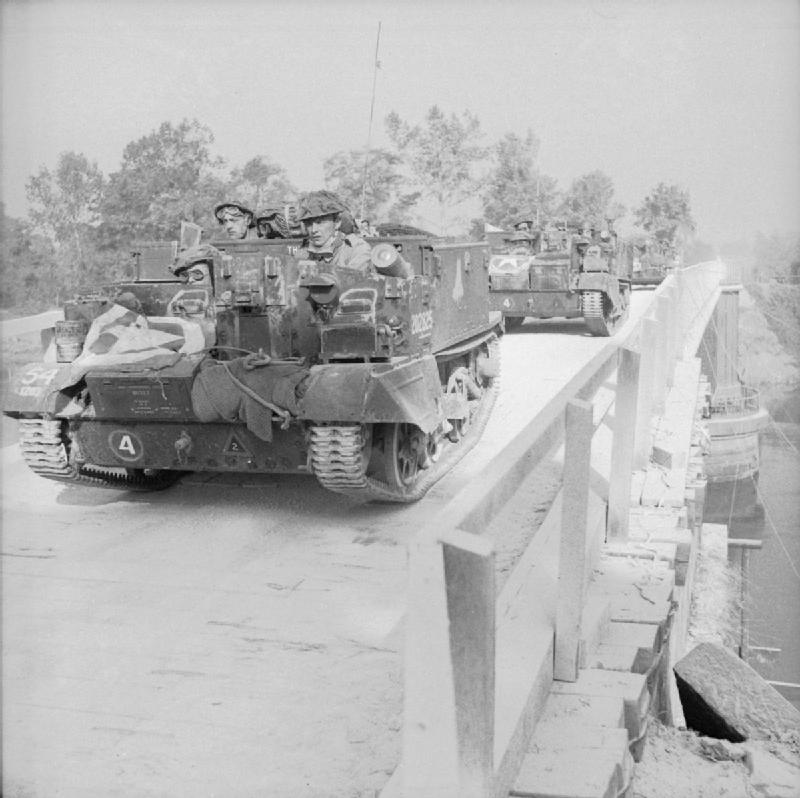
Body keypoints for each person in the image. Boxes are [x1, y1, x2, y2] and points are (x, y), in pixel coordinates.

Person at [296, 191, 372, 273]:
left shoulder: (357, 249)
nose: (314, 230)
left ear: (337, 222)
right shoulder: (304, 253)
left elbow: (351, 281)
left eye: (319, 222)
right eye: (309, 224)